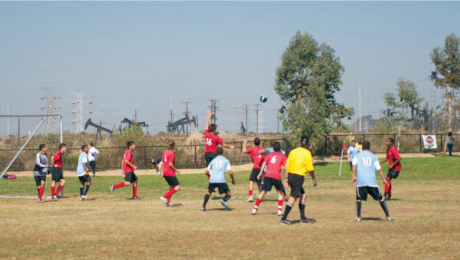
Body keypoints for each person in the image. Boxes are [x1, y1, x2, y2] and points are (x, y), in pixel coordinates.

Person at [352, 140, 393, 222]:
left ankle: (359, 217)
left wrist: (353, 175)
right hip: (372, 181)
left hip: (361, 181)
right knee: (380, 198)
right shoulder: (374, 156)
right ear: (370, 147)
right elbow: (379, 168)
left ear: (362, 147)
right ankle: (388, 216)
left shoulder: (357, 155)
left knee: (358, 198)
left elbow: (353, 165)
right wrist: (384, 179)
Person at [280, 135, 317, 225]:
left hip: (291, 176)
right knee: (293, 198)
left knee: (303, 195)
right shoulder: (307, 153)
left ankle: (303, 218)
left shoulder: (292, 151)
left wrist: (286, 178)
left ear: (300, 142)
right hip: (298, 177)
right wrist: (314, 179)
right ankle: (283, 219)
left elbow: (287, 166)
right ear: (308, 143)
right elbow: (310, 168)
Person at [251, 142, 287, 216]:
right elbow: (285, 167)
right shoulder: (283, 156)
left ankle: (255, 209)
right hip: (277, 176)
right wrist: (286, 177)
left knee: (263, 192)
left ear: (273, 148)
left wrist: (260, 173)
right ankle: (279, 210)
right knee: (279, 192)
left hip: (268, 175)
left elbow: (264, 163)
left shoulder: (269, 155)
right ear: (280, 148)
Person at [201, 147, 235, 211]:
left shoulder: (212, 161)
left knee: (209, 192)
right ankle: (223, 200)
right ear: (223, 152)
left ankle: (203, 207)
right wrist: (233, 180)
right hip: (221, 180)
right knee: (228, 194)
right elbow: (230, 172)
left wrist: (209, 176)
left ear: (216, 153)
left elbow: (206, 172)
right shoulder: (226, 160)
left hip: (212, 179)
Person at [242, 138, 265, 202]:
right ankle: (261, 196)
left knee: (251, 181)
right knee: (259, 182)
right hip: (262, 168)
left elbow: (244, 151)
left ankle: (250, 196)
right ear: (260, 143)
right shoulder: (263, 149)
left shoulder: (252, 149)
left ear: (254, 143)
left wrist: (245, 143)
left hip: (256, 167)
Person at [160, 141, 181, 206]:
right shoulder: (172, 153)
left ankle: (167, 203)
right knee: (178, 187)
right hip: (170, 172)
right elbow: (170, 164)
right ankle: (164, 197)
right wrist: (176, 170)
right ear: (173, 146)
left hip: (165, 172)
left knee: (172, 187)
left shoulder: (165, 152)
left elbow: (163, 163)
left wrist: (163, 173)